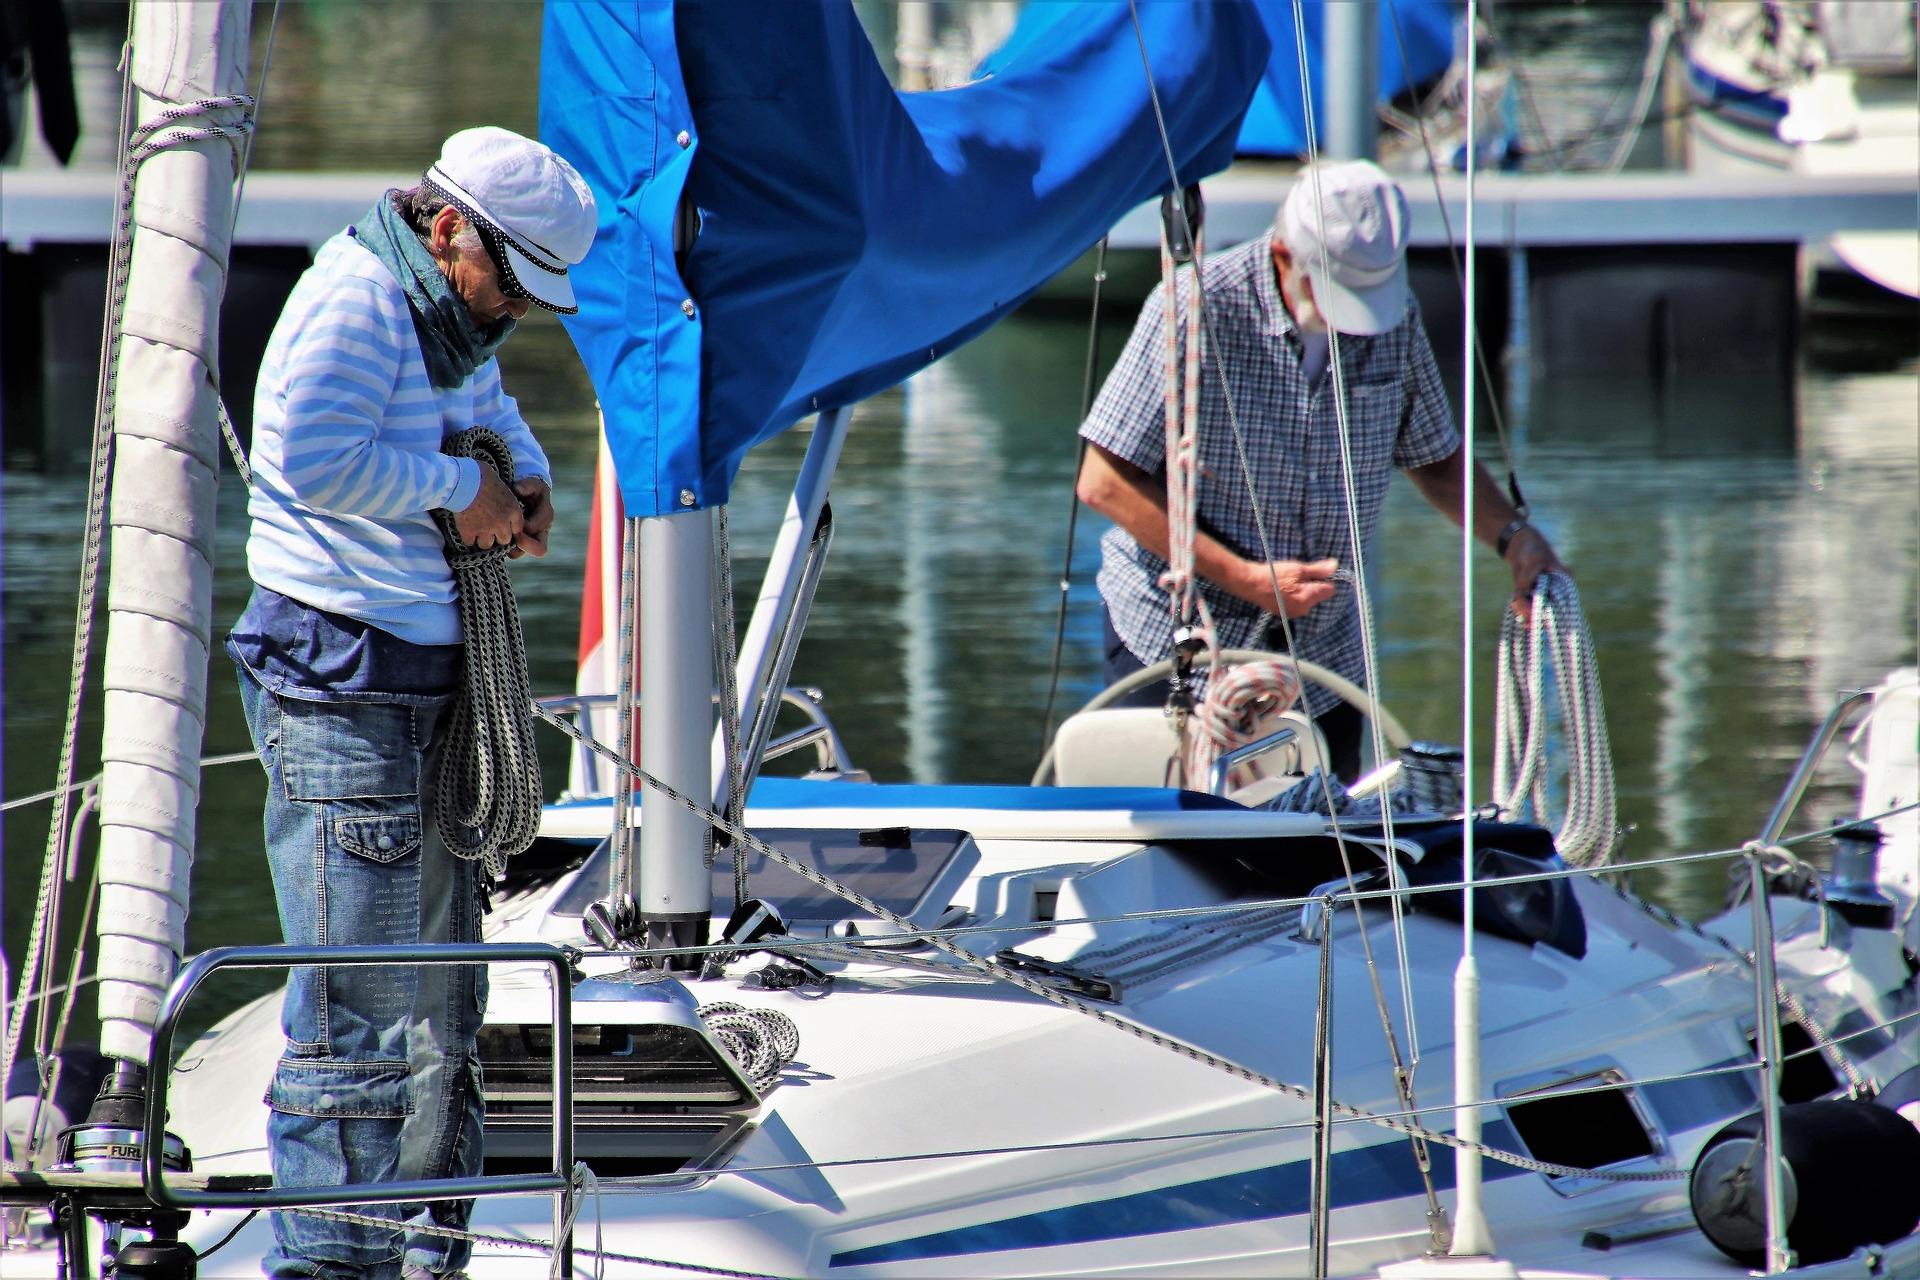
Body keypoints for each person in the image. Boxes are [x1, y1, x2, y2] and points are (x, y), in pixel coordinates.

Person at [226, 126, 595, 1279]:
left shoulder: (444, 315)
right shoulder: (357, 301)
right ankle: (337, 1266)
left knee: (439, 1015)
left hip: (409, 683)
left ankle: (422, 1258)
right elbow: (312, 459)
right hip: (343, 683)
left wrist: (520, 480)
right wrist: (460, 491)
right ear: (450, 232)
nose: (519, 312)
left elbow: (485, 400)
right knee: (365, 1023)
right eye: (515, 284)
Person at [1077, 160, 1564, 782]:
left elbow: (1435, 459)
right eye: (1340, 297)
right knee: (1193, 845)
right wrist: (1244, 577)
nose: (1351, 324)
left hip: (1322, 657)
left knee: (1327, 857)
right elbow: (1103, 480)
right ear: (1284, 255)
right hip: (1180, 645)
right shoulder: (1194, 308)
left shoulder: (1397, 319)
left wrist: (1515, 537)